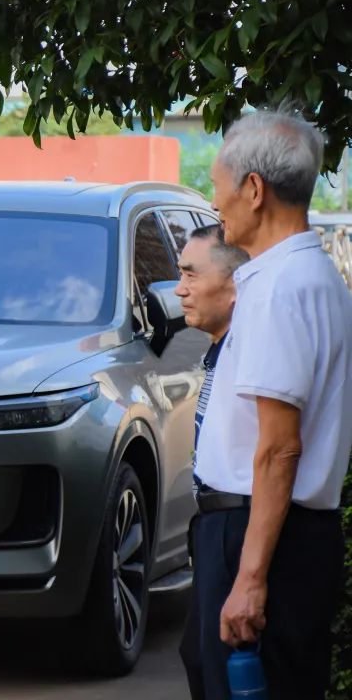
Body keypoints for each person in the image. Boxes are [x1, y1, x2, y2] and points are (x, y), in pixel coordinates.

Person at [189, 111, 352, 698]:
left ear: (254, 189)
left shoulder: (281, 287)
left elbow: (280, 447)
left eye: (218, 186)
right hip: (281, 534)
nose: (215, 203)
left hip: (259, 536)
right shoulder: (314, 277)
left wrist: (250, 577)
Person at [173, 224, 249, 697]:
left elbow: (278, 454)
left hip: (239, 526)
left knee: (223, 668)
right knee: (199, 657)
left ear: (235, 284)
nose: (179, 289)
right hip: (213, 527)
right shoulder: (220, 348)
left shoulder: (250, 352)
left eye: (191, 275)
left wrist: (251, 573)